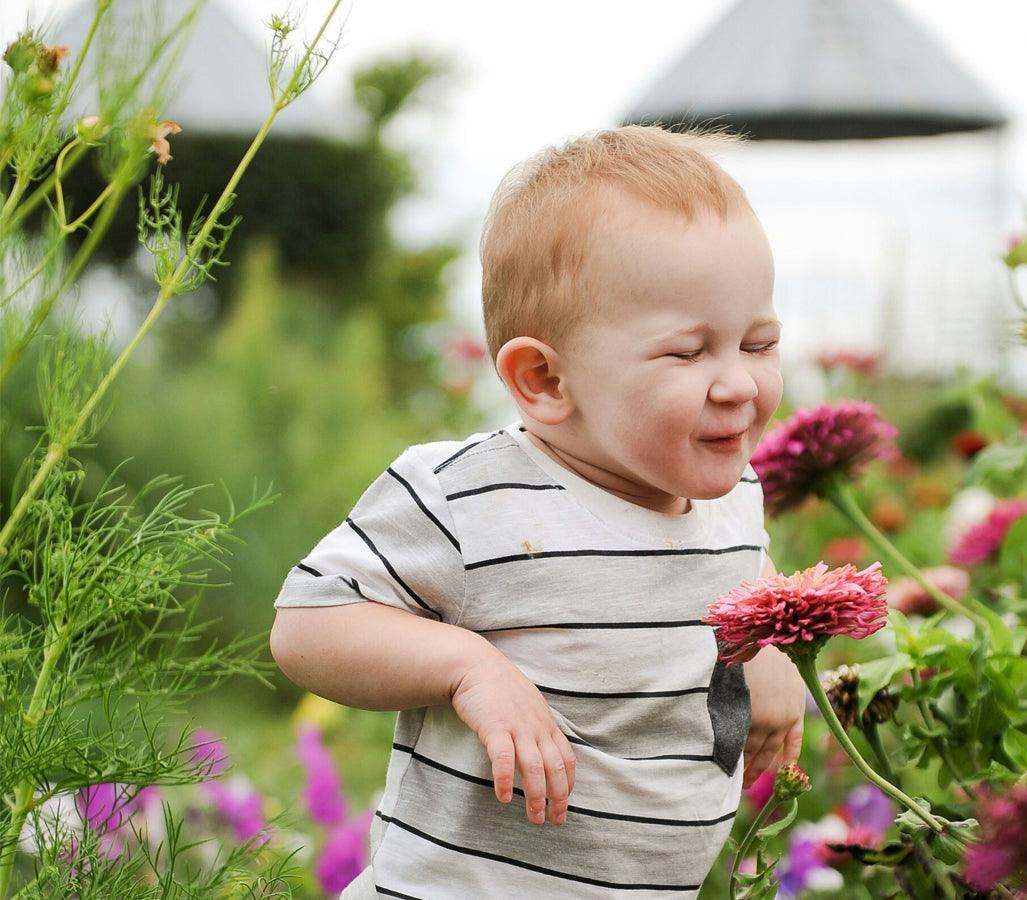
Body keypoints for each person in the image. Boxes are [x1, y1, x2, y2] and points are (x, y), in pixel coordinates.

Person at [268, 125, 804, 898]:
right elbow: (308, 626)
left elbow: (734, 563)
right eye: (688, 353)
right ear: (546, 380)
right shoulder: (470, 497)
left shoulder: (733, 495)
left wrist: (775, 649)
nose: (739, 385)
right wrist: (467, 668)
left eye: (758, 343)